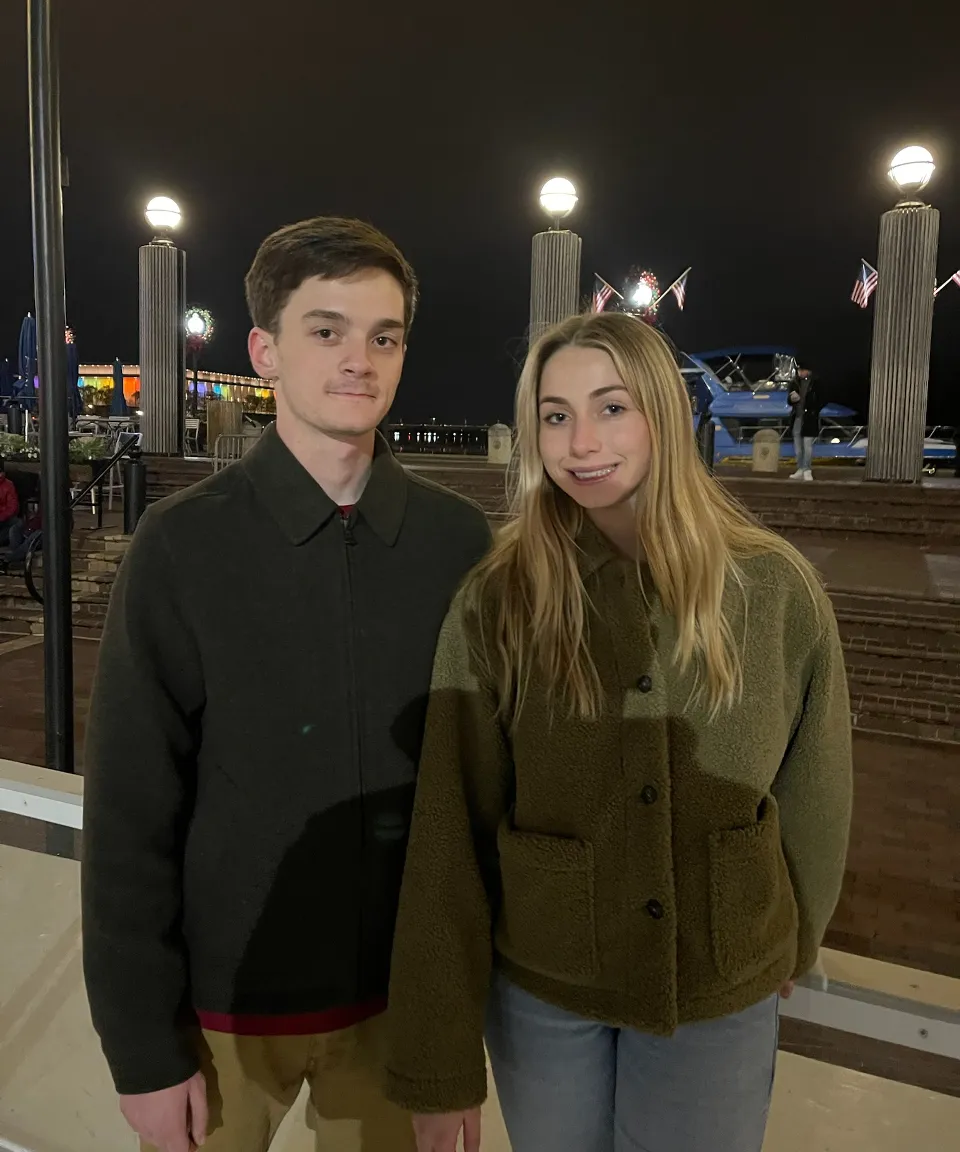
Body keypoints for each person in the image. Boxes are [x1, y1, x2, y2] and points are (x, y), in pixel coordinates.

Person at [383, 313, 852, 1152]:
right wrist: (437, 1058)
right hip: (545, 989)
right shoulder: (499, 600)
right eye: (555, 416)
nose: (580, 442)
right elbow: (450, 829)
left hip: (719, 986)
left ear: (663, 416)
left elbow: (815, 789)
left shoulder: (773, 589)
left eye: (611, 407)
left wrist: (790, 937)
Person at [81, 217, 492, 1152]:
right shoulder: (182, 547)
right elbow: (128, 813)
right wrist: (141, 1049)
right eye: (327, 330)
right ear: (264, 350)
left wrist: (453, 1043)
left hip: (403, 1018)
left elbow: (476, 804)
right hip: (221, 1018)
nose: (360, 359)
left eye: (384, 336)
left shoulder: (458, 545)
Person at [788, 365, 822, 481]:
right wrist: (791, 399)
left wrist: (813, 410)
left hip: (809, 419)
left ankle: (807, 469)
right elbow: (789, 400)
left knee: (807, 446)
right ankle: (800, 468)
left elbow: (820, 400)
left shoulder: (815, 383)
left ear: (808, 371)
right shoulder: (794, 382)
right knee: (798, 447)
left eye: (802, 370)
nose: (800, 372)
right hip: (797, 417)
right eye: (799, 370)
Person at [0, 456, 24, 553]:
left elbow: (12, 507)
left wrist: (1, 517)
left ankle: (14, 553)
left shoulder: (8, 485)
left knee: (18, 523)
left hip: (4, 518)